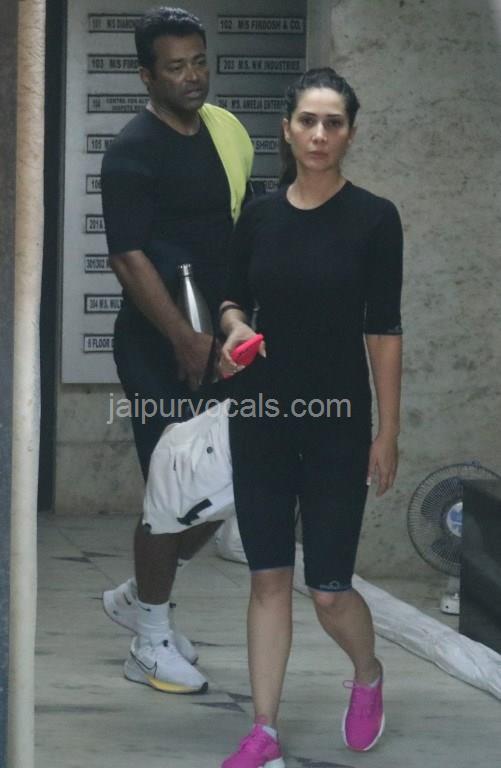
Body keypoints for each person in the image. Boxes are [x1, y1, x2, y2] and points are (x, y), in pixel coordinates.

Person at [218, 67, 403, 764]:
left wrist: (387, 430)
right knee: (267, 577)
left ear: (349, 134)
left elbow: (383, 330)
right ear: (288, 130)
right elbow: (231, 298)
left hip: (337, 422)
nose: (319, 134)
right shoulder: (259, 215)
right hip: (260, 414)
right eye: (307, 121)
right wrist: (234, 328)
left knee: (328, 591)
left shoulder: (374, 218)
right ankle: (263, 729)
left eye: (333, 123)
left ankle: (368, 674)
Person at [100, 6, 253, 695]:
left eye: (198, 62)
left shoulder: (222, 130)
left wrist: (230, 328)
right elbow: (128, 258)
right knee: (171, 490)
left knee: (227, 485)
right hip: (157, 344)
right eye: (175, 67)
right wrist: (182, 340)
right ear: (146, 75)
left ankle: (140, 596)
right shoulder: (132, 151)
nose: (192, 76)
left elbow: (235, 228)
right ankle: (150, 641)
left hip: (217, 336)